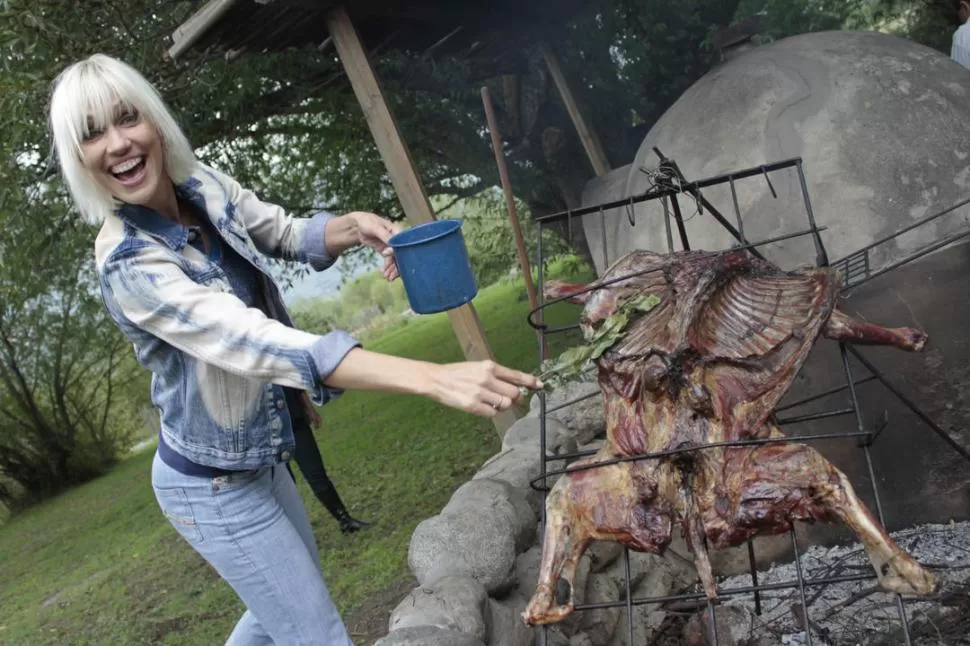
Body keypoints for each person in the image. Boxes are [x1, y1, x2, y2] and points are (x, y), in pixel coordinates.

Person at [48, 53, 541, 645]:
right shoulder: (131, 265)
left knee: (271, 614)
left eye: (128, 119)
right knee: (316, 634)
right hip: (209, 485)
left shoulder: (200, 185)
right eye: (92, 133)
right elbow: (256, 341)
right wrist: (433, 377)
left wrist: (356, 225)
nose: (118, 143)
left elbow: (281, 230)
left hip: (259, 459)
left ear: (154, 123)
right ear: (80, 159)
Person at [292, 391, 371, 534]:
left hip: (296, 425)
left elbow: (294, 386)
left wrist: (310, 410)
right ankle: (294, 535)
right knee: (285, 489)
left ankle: (345, 520)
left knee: (317, 475)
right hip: (266, 438)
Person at [953, 0, 970, 69]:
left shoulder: (962, 35)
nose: (958, 16)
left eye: (957, 8)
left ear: (964, 5)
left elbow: (957, 76)